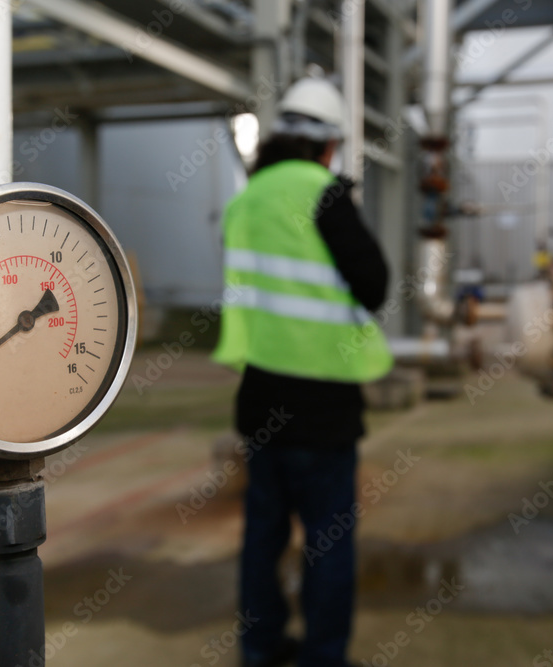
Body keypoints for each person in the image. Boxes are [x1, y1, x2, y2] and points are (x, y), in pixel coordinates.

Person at [212, 77, 393, 667]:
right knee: (328, 544)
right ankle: (322, 657)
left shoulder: (248, 198)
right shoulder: (324, 194)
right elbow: (376, 284)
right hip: (324, 409)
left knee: (261, 541)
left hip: (261, 400)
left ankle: (260, 651)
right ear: (329, 145)